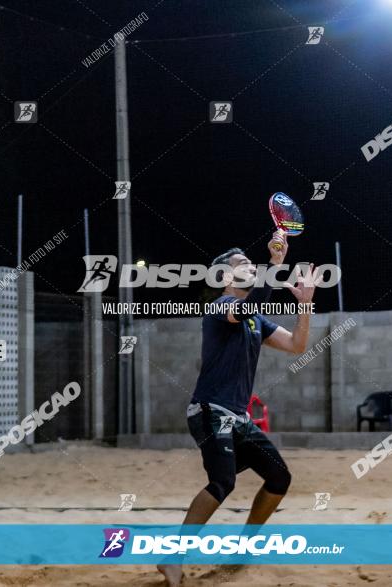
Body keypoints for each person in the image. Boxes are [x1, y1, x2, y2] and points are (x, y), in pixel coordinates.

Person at [159, 231, 317, 586]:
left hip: (238, 418)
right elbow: (245, 307)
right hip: (209, 411)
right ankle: (172, 557)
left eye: (250, 262)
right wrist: (274, 265)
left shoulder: (255, 320)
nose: (250, 266)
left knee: (279, 477)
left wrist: (304, 304)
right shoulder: (219, 308)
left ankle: (244, 547)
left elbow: (297, 344)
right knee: (223, 482)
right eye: (242, 264)